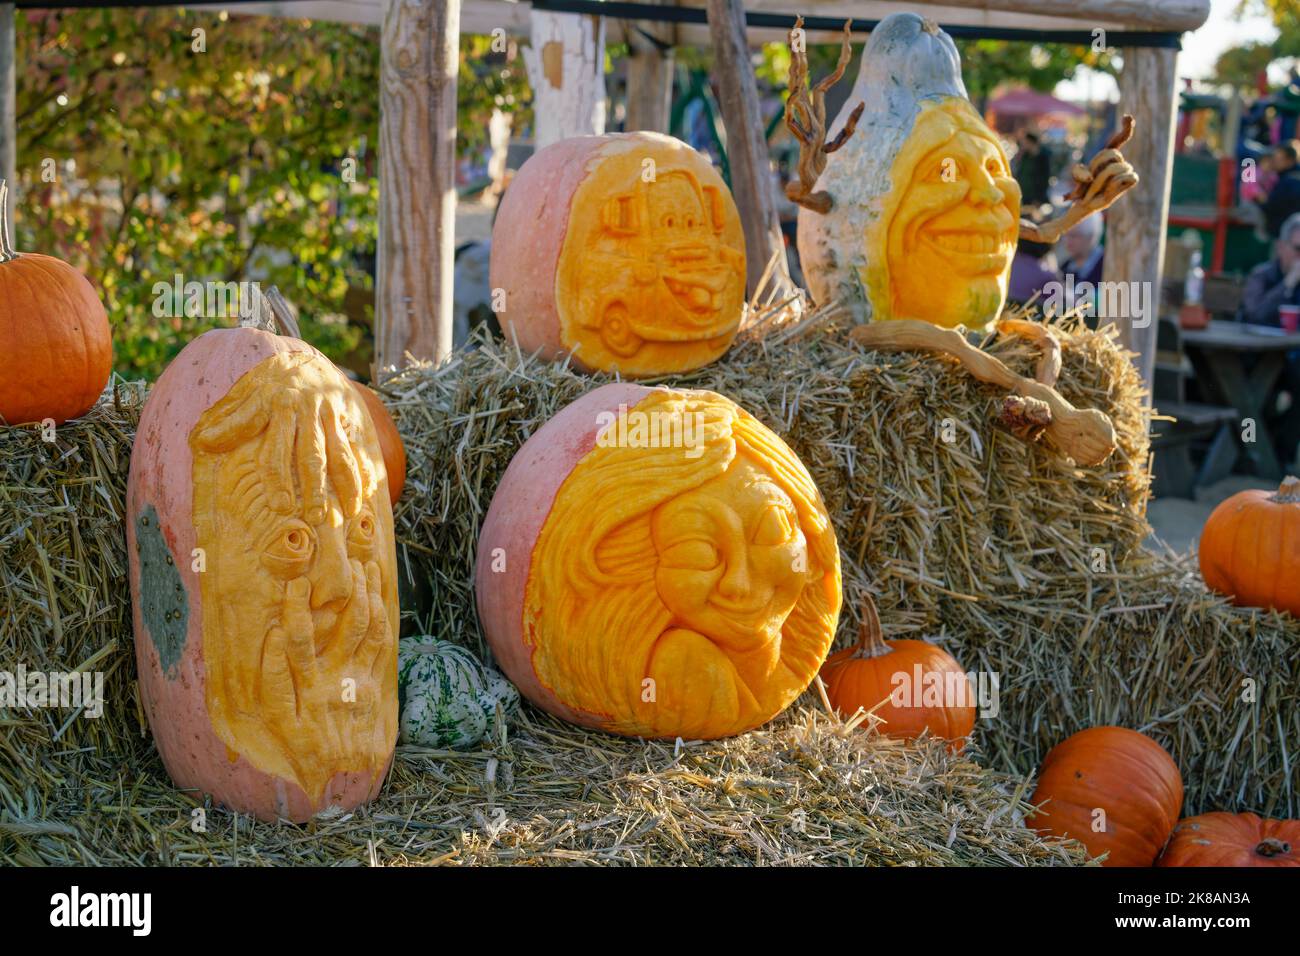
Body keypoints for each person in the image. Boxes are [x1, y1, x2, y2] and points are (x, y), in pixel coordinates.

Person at [1238, 210, 1300, 467]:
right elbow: (1254, 315)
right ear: (1280, 247)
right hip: (1251, 359)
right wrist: (1287, 285)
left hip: (1289, 362)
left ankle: (1278, 455)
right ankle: (1258, 455)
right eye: (1297, 249)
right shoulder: (1262, 276)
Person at [1254, 141, 1300, 239]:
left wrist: (1260, 200)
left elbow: (1271, 206)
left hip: (1287, 237)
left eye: (1278, 159)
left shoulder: (1290, 181)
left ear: (1289, 161)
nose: (1274, 162)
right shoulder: (1282, 177)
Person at [1058, 212, 1105, 288]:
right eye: (1065, 235)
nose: (1067, 241)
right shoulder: (1065, 267)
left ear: (1091, 237)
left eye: (1073, 236)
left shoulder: (1107, 264)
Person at [1012, 129, 1052, 207]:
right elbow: (1018, 172)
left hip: (1035, 198)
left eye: (1026, 142)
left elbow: (1044, 179)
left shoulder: (1043, 158)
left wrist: (1039, 198)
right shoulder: (1025, 156)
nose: (1023, 145)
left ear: (1032, 143)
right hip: (1023, 196)